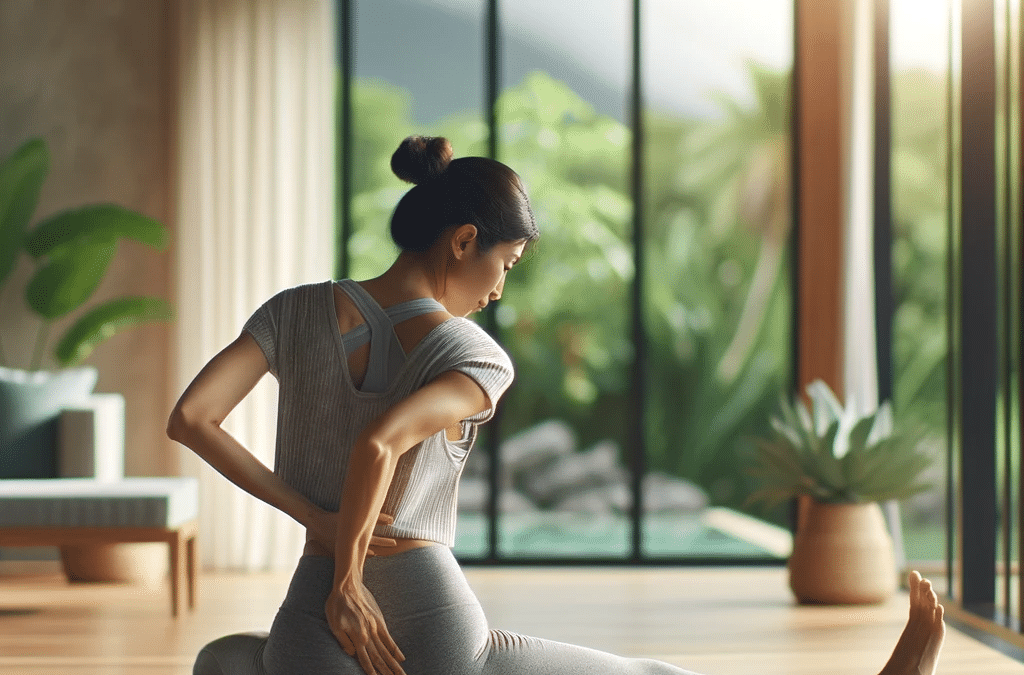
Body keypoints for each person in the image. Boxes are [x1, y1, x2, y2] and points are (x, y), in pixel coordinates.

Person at [168, 136, 946, 675]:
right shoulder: (475, 354)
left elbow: (193, 417)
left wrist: (322, 529)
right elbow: (379, 442)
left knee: (227, 661)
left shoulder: (295, 310)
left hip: (310, 609)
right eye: (505, 261)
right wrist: (354, 579)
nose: (501, 286)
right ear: (464, 239)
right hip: (423, 619)